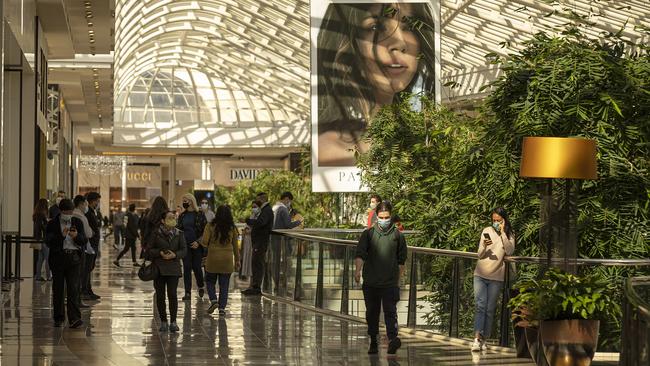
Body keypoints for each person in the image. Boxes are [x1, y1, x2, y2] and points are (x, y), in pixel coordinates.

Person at [317, 3, 436, 166]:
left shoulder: (413, 138)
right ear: (347, 41)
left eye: (409, 27)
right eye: (376, 27)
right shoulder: (333, 149)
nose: (400, 44)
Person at [355, 201, 407, 356]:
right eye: (381, 217)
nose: (384, 219)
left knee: (391, 312)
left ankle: (393, 339)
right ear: (377, 216)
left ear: (390, 216)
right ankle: (373, 340)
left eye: (387, 217)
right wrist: (357, 271)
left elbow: (401, 260)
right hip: (371, 282)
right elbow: (360, 254)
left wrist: (398, 280)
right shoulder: (368, 234)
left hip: (390, 282)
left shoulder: (397, 235)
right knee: (372, 312)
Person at [472, 207, 515, 352]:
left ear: (504, 220)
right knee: (480, 306)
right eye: (494, 220)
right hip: (480, 274)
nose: (495, 222)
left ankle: (485, 339)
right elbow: (479, 254)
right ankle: (477, 338)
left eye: (498, 220)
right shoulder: (487, 231)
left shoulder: (509, 234)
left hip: (496, 276)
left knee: (490, 309)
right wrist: (484, 246)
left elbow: (509, 251)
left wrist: (503, 233)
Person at [45, 199, 87, 328]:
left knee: (73, 289)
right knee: (58, 289)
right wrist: (61, 236)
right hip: (58, 258)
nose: (69, 214)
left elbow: (84, 240)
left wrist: (76, 237)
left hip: (73, 258)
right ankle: (59, 317)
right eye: (67, 211)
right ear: (61, 211)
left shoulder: (77, 222)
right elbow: (48, 241)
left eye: (71, 211)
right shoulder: (52, 223)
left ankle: (74, 318)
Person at [145, 210, 186, 332]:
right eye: (169, 217)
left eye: (173, 217)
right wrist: (160, 252)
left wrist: (175, 255)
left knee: (172, 294)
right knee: (160, 295)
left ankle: (173, 322)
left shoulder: (179, 234)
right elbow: (148, 250)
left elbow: (184, 250)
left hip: (173, 268)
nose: (172, 219)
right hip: (159, 268)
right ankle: (163, 321)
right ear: (163, 220)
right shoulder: (156, 233)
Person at [201, 205, 240, 316]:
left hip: (212, 258)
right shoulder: (232, 228)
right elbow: (236, 247)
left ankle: (213, 300)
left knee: (209, 281)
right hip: (227, 260)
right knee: (224, 285)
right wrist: (237, 260)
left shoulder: (210, 225)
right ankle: (222, 308)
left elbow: (204, 241)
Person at [177, 193, 208, 300]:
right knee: (186, 268)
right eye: (183, 200)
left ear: (191, 201)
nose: (184, 202)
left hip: (197, 245)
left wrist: (198, 242)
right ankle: (187, 292)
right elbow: (179, 230)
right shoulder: (182, 215)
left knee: (197, 268)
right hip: (185, 245)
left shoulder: (199, 214)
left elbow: (205, 231)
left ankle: (200, 285)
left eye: (185, 200)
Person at [241, 192, 273, 296]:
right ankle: (255, 286)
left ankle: (256, 287)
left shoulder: (267, 210)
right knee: (255, 263)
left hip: (260, 242)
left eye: (258, 200)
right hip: (258, 242)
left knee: (258, 264)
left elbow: (261, 223)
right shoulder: (264, 210)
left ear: (262, 199)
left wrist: (249, 221)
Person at [83, 192, 102, 300]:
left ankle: (88, 290)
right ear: (92, 201)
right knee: (87, 268)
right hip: (90, 244)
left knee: (90, 268)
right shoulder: (88, 213)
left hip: (94, 244)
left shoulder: (92, 212)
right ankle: (85, 291)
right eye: (97, 201)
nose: (98, 203)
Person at [239, 201, 258, 281]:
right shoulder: (252, 216)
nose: (253, 208)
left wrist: (250, 231)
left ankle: (252, 281)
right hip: (247, 241)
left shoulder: (259, 217)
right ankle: (248, 280)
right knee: (246, 259)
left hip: (252, 242)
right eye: (252, 207)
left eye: (255, 207)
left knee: (251, 260)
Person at [33, 199, 50, 281]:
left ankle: (38, 276)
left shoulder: (36, 214)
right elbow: (43, 227)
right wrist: (48, 223)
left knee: (40, 259)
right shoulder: (41, 215)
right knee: (48, 258)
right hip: (44, 239)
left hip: (39, 239)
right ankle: (48, 276)